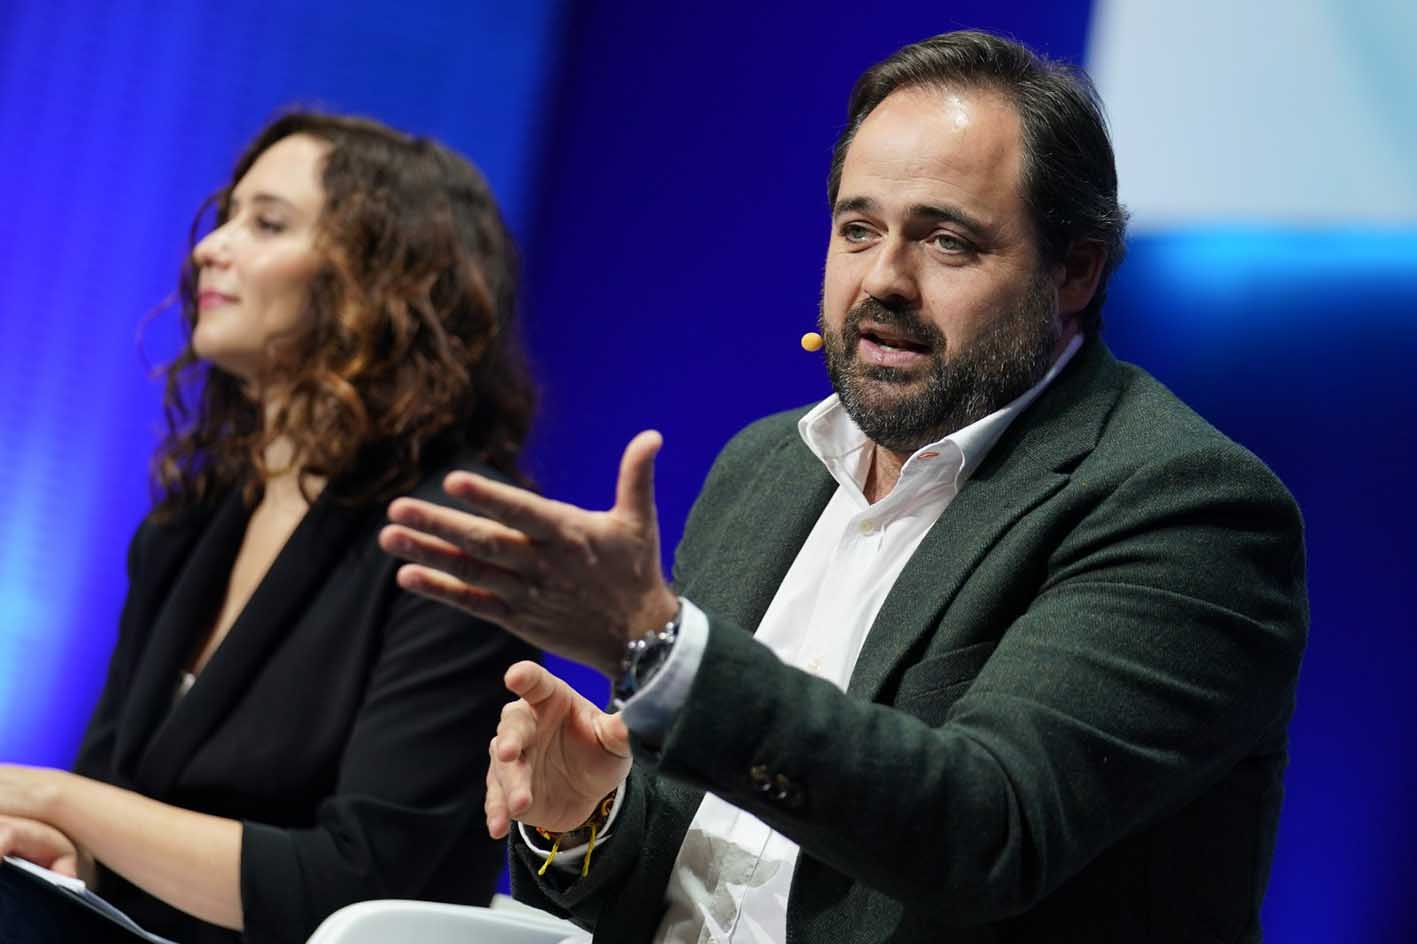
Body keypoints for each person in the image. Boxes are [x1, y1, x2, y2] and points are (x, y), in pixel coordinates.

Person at [380, 30, 1308, 944]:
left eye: (946, 241)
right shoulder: (766, 469)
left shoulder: (1185, 506)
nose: (881, 281)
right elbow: (690, 860)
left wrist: (662, 651)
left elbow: (986, 832)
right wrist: (586, 817)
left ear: (1073, 268)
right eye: (857, 229)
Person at [0, 112, 539, 944]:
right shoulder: (191, 523)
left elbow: (358, 884)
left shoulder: (459, 541)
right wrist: (53, 840)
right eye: (227, 216)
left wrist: (52, 801)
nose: (212, 247)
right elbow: (108, 805)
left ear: (381, 282)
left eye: (267, 223)